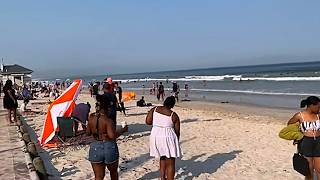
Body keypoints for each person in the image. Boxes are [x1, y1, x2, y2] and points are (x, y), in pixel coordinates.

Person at [87, 94, 128, 180]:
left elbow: (87, 133)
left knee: (98, 176)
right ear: (107, 107)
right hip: (109, 147)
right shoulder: (108, 120)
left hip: (95, 147)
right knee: (113, 173)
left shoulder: (91, 118)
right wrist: (123, 130)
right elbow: (112, 136)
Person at [146, 96, 181, 180]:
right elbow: (177, 132)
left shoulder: (154, 109)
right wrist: (176, 142)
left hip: (156, 135)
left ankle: (162, 178)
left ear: (164, 102)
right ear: (172, 105)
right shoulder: (174, 115)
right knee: (170, 162)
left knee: (162, 157)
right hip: (168, 137)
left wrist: (158, 123)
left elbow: (148, 122)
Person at [287, 96, 320, 180]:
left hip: (318, 142)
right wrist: (297, 136)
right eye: (318, 106)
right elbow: (289, 125)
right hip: (306, 142)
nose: (319, 108)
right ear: (311, 105)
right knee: (309, 169)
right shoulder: (299, 115)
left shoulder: (318, 115)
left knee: (319, 169)